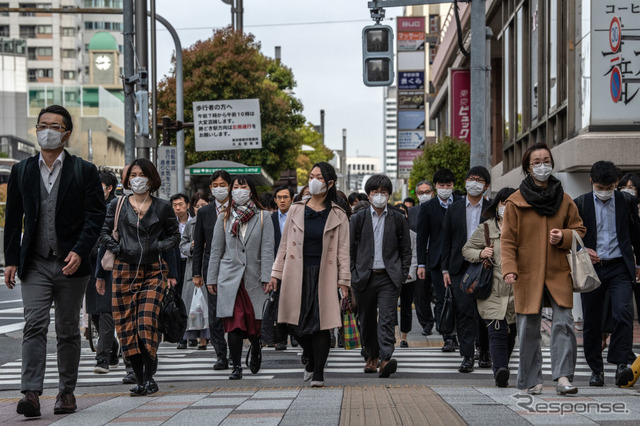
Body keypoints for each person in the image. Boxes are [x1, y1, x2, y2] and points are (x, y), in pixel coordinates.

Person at [4, 105, 106, 417]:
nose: (47, 130)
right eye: (43, 125)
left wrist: (80, 249)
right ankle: (31, 393)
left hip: (71, 264)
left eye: (55, 126)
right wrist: (10, 259)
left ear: (66, 134)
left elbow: (96, 216)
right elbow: (13, 218)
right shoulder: (22, 171)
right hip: (34, 261)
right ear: (36, 130)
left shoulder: (83, 170)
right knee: (33, 324)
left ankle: (66, 392)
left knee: (67, 329)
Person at [501, 142, 586, 396]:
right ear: (528, 167)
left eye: (546, 161)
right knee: (528, 327)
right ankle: (530, 379)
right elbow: (507, 240)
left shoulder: (565, 199)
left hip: (558, 271)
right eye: (536, 162)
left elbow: (580, 230)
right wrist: (509, 268)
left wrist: (564, 236)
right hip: (526, 273)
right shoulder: (515, 201)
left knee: (564, 324)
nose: (542, 166)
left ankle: (562, 378)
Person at [99, 158, 180, 396]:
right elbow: (103, 233)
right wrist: (117, 249)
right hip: (124, 270)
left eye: (142, 173)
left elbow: (175, 236)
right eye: (133, 174)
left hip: (154, 270)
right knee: (127, 328)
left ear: (151, 178)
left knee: (146, 323)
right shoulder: (117, 205)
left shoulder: (162, 206)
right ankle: (141, 379)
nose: (137, 178)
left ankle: (148, 375)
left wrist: (156, 246)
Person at [270, 162, 350, 387]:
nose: (313, 180)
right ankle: (311, 358)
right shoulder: (296, 209)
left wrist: (344, 281)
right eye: (311, 176)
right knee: (296, 326)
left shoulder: (339, 214)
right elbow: (284, 245)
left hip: (325, 274)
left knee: (322, 325)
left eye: (319, 177)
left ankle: (318, 373)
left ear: (330, 183)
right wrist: (276, 273)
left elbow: (343, 250)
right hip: (297, 273)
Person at [573, 162, 640, 387]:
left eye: (610, 187)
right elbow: (571, 237)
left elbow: (636, 235)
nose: (605, 191)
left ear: (616, 185)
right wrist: (583, 250)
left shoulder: (626, 201)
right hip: (591, 269)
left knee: (623, 312)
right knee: (591, 321)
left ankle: (621, 363)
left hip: (619, 265)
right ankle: (596, 369)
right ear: (591, 182)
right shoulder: (580, 204)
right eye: (601, 187)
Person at [207, 175, 274, 380]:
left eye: (242, 186)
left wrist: (268, 277)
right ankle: (236, 365)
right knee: (234, 324)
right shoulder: (224, 218)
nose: (238, 190)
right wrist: (212, 278)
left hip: (254, 278)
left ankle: (255, 346)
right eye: (235, 187)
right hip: (230, 280)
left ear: (251, 190)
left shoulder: (263, 217)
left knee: (253, 324)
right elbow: (216, 250)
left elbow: (268, 250)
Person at [350, 174, 411, 378]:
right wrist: (353, 273)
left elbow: (406, 250)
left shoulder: (398, 218)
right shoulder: (357, 219)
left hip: (388, 277)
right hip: (364, 277)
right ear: (368, 195)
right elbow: (349, 249)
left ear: (389, 195)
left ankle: (386, 359)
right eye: (375, 192)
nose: (379, 196)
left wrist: (402, 275)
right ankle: (372, 357)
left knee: (387, 319)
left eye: (383, 192)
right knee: (366, 320)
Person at [462, 187, 517, 387]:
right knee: (497, 330)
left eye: (511, 203)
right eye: (503, 203)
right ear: (497, 206)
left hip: (516, 291)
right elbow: (467, 249)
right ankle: (500, 370)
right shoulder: (486, 228)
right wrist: (481, 253)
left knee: (511, 331)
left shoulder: (524, 229)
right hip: (492, 290)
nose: (506, 207)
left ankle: (502, 363)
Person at [441, 166, 493, 373]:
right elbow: (446, 241)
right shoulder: (454, 208)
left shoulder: (491, 208)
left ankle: (486, 352)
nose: (474, 182)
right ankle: (467, 356)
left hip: (485, 267)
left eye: (479, 180)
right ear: (465, 182)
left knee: (484, 313)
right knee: (463, 312)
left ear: (486, 186)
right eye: (471, 178)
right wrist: (445, 269)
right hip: (459, 268)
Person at [416, 169, 461, 352]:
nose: (445, 188)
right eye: (441, 185)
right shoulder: (428, 207)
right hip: (435, 261)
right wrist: (421, 263)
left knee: (460, 299)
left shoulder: (461, 203)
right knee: (442, 300)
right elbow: (422, 236)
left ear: (453, 186)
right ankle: (448, 337)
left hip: (459, 259)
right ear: (436, 187)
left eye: (448, 185)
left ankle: (461, 334)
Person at [192, 170, 231, 370]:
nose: (219, 188)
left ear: (230, 186)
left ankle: (235, 351)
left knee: (234, 311)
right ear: (210, 188)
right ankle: (221, 354)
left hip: (234, 267)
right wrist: (197, 273)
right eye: (215, 185)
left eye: (223, 184)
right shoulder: (205, 212)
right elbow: (198, 245)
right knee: (215, 313)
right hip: (211, 268)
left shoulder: (237, 208)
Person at [92, 168, 121, 374]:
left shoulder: (116, 205)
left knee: (106, 312)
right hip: (89, 264)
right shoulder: (88, 206)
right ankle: (113, 346)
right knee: (94, 312)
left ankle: (101, 358)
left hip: (110, 264)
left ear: (109, 188)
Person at [180, 193, 211, 350]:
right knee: (194, 306)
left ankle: (207, 337)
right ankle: (196, 338)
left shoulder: (214, 220)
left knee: (208, 304)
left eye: (203, 205)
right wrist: (192, 247)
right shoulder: (190, 224)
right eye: (197, 206)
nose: (200, 208)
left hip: (210, 266)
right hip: (193, 268)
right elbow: (182, 245)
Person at [270, 185, 297, 350]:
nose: (282, 200)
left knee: (293, 300)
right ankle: (280, 337)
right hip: (276, 265)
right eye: (279, 197)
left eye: (285, 197)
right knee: (277, 301)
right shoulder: (269, 219)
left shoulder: (298, 217)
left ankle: (294, 334)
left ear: (292, 199)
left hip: (294, 264)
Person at [409, 180, 435, 336]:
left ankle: (443, 321)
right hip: (419, 258)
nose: (424, 195)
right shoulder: (411, 212)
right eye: (421, 192)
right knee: (420, 293)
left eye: (427, 192)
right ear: (416, 194)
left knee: (441, 291)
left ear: (432, 193)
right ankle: (426, 323)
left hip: (438, 256)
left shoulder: (442, 209)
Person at [618, 173, 640, 329]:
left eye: (631, 187)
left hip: (637, 265)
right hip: (624, 266)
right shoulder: (618, 209)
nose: (627, 190)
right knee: (623, 310)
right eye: (623, 187)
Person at [394, 204, 418, 348]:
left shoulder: (412, 234)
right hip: (390, 276)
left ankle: (404, 337)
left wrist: (410, 273)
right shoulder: (388, 232)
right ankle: (392, 335)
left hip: (408, 276)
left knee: (406, 307)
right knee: (389, 306)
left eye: (404, 213)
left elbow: (414, 255)